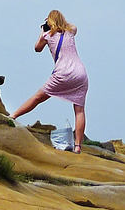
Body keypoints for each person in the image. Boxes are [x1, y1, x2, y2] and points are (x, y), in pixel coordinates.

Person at [10, 9, 88, 153]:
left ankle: (13, 116)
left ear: (49, 22)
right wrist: (61, 23)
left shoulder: (47, 35)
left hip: (63, 73)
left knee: (37, 98)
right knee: (79, 110)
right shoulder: (70, 32)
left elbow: (37, 48)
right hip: (80, 74)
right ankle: (77, 146)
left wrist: (42, 30)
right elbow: (74, 26)